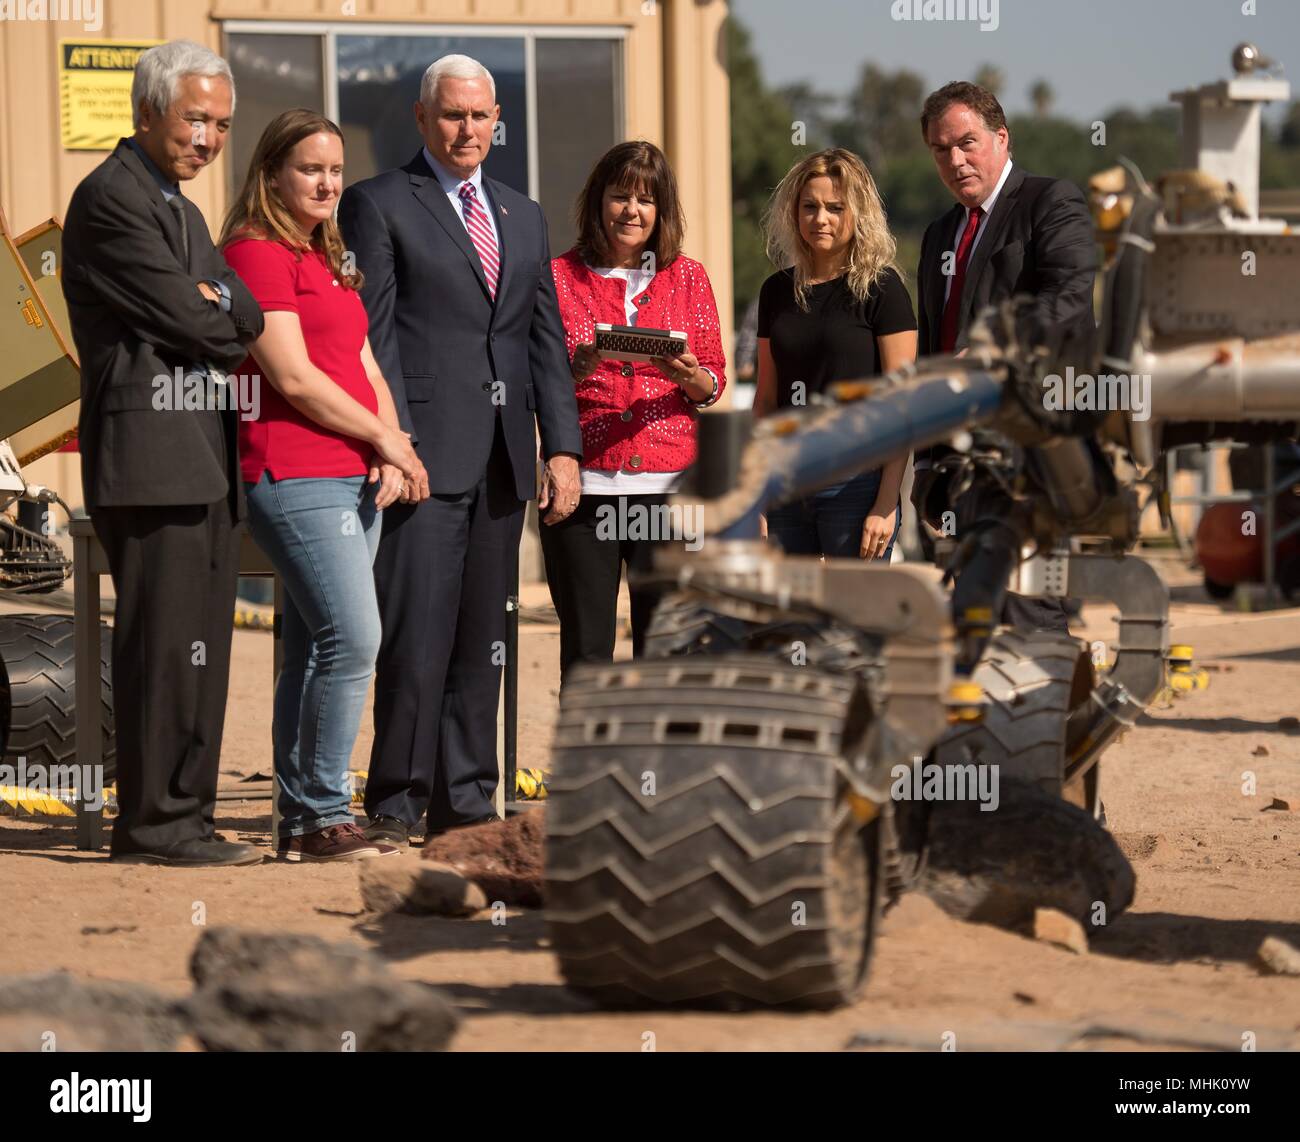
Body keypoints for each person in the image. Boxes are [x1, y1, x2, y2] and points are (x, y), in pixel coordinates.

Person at [338, 54, 583, 847]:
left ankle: (468, 804)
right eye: (452, 115)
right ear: (421, 118)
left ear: (497, 118)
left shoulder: (524, 214)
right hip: (421, 459)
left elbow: (544, 342)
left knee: (487, 639)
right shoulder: (377, 205)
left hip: (506, 462)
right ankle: (397, 802)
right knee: (415, 638)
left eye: (480, 116)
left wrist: (564, 448)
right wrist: (392, 441)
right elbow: (370, 335)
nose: (468, 129)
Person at [61, 41, 265, 866]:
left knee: (202, 654)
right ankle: (155, 827)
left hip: (202, 460)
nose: (208, 139)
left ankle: (188, 816)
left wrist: (219, 304)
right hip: (151, 461)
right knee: (162, 651)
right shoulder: (111, 199)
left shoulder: (176, 208)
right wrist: (214, 307)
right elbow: (201, 324)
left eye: (220, 124)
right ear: (147, 112)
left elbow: (238, 311)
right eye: (195, 120)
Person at [220, 110, 430, 862]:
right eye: (310, 168)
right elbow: (292, 377)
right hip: (291, 469)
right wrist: (381, 437)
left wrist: (392, 444)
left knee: (314, 648)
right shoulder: (253, 253)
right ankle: (322, 813)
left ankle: (302, 816)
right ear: (272, 171)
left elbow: (364, 365)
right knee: (355, 639)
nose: (328, 182)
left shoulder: (326, 254)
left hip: (351, 474)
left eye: (335, 169)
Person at [912, 81, 1097, 632]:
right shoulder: (939, 233)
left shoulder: (1050, 201)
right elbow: (931, 346)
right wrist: (924, 461)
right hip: (955, 457)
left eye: (967, 142)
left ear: (1001, 137)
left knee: (1030, 606)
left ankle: (1042, 716)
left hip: (1030, 446)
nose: (955, 159)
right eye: (941, 149)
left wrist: (994, 349)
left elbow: (1067, 299)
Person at [545, 141, 726, 684]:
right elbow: (540, 381)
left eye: (646, 200)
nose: (631, 210)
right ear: (598, 202)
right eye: (620, 195)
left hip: (668, 490)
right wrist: (579, 365)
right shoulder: (558, 277)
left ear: (661, 211)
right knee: (587, 652)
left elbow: (713, 382)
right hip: (586, 487)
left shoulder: (688, 277)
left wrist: (689, 376)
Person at [755, 148, 916, 562]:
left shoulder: (884, 290)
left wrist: (886, 504)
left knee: (854, 621)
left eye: (834, 207)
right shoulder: (775, 291)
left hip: (858, 485)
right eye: (809, 206)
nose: (820, 218)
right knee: (790, 620)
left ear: (857, 213)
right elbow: (766, 400)